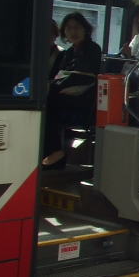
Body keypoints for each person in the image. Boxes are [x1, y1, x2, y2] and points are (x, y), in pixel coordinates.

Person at [42, 12, 102, 168]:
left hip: (84, 97)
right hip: (65, 94)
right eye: (69, 28)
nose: (73, 32)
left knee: (49, 101)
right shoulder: (68, 52)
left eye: (76, 27)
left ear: (85, 29)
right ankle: (50, 151)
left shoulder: (93, 49)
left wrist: (56, 85)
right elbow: (59, 75)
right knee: (44, 102)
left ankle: (55, 150)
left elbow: (85, 76)